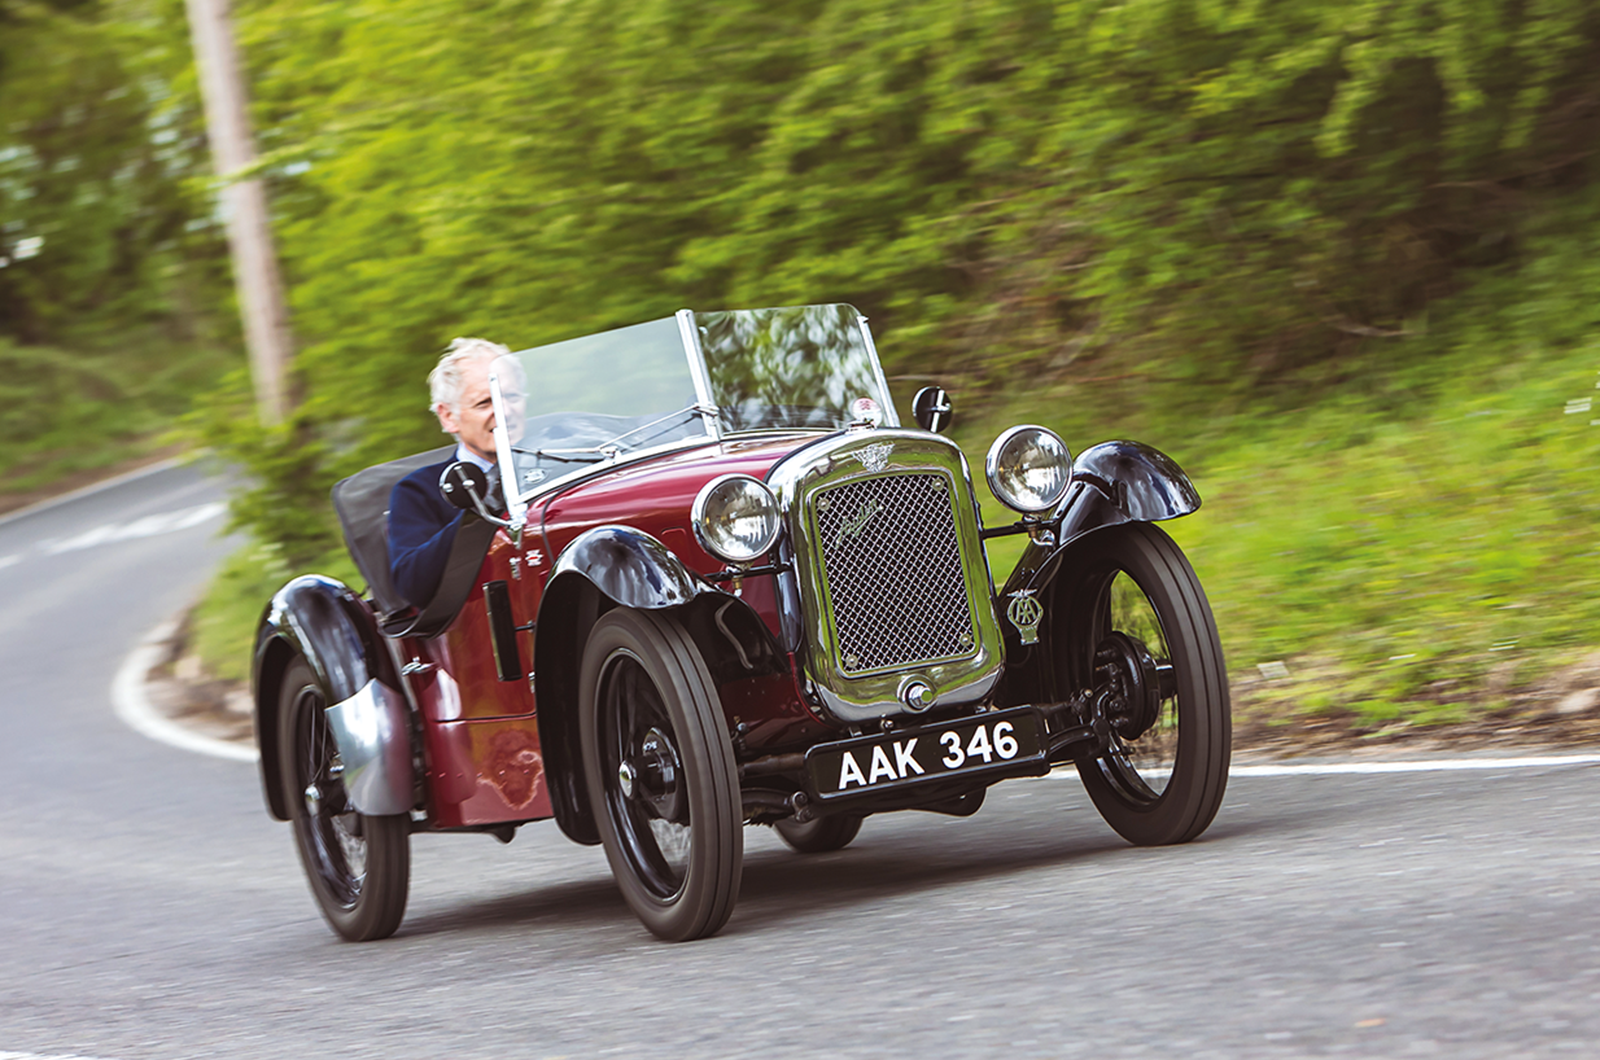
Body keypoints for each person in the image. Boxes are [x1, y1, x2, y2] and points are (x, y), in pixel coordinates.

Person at [388, 337, 525, 609]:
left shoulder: (563, 458)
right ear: (448, 417)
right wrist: (480, 510)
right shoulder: (419, 490)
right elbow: (413, 585)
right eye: (485, 403)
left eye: (511, 397)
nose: (505, 411)